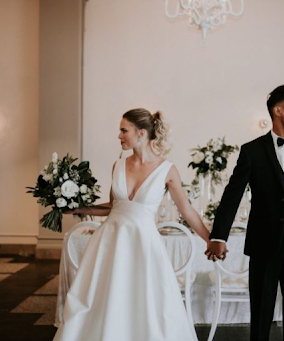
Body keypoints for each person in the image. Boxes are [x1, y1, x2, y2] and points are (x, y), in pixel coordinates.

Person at [54, 108, 211, 341]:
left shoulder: (168, 170)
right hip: (109, 243)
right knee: (102, 300)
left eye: (123, 130)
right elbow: (113, 206)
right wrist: (77, 208)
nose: (119, 136)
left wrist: (211, 240)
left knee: (143, 303)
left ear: (141, 132)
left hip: (143, 246)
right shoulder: (117, 165)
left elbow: (186, 210)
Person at [205, 83, 284, 341]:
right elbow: (232, 195)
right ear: (278, 110)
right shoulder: (252, 151)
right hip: (264, 244)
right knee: (261, 315)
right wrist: (219, 236)